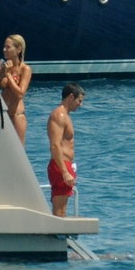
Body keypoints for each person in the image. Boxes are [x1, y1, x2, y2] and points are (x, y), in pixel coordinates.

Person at [47, 82, 85, 216]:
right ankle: (57, 230)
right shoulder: (59, 115)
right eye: (79, 101)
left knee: (63, 208)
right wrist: (64, 172)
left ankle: (60, 229)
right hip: (60, 165)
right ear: (70, 97)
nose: (80, 105)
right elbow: (55, 145)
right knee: (60, 209)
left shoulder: (65, 116)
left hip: (65, 165)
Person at [0, 34, 32, 144]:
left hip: (16, 116)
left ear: (18, 49)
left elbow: (20, 94)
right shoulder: (4, 67)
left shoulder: (25, 69)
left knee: (18, 149)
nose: (4, 50)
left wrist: (8, 75)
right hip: (4, 115)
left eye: (8, 47)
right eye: (4, 47)